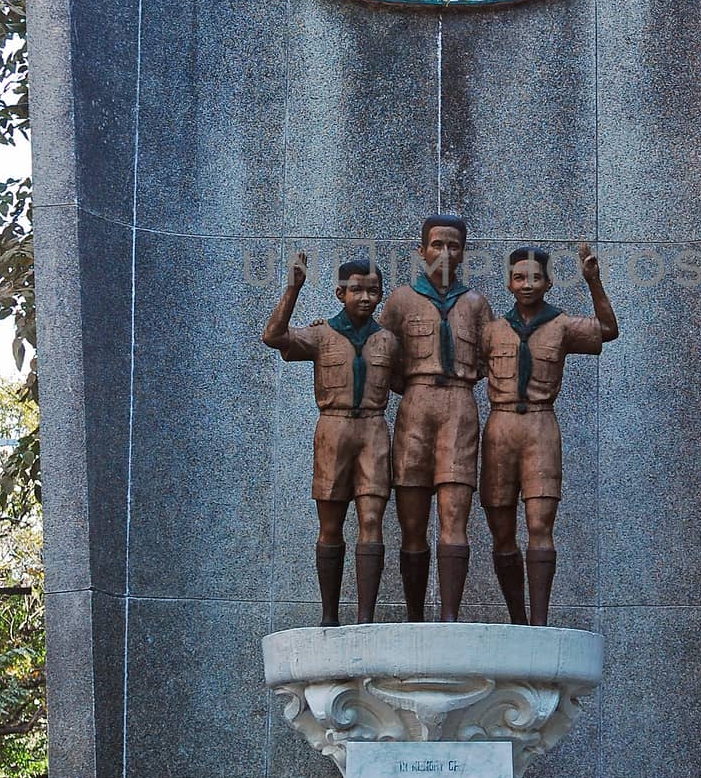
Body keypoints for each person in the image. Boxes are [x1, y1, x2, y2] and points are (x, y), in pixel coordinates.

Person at [481, 242, 619, 626]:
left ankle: (539, 622)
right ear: (508, 283)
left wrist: (593, 281)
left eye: (536, 277)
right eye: (519, 277)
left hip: (541, 428)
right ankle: (518, 620)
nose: (527, 284)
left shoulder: (561, 325)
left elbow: (608, 330)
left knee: (540, 524)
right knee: (502, 529)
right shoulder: (491, 330)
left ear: (549, 282)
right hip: (500, 428)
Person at [262, 253, 401, 626]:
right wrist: (293, 289)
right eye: (356, 290)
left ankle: (365, 617)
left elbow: (408, 380)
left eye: (373, 291)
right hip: (333, 429)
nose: (365, 298)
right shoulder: (322, 334)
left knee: (371, 519)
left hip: (373, 429)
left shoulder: (387, 340)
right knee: (331, 522)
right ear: (340, 293)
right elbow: (273, 336)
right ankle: (329, 616)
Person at [380, 214, 493, 622]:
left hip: (460, 406)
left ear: (463, 252)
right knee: (411, 519)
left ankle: (449, 618)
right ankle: (414, 617)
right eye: (437, 245)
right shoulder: (399, 301)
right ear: (421, 250)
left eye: (454, 246)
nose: (445, 253)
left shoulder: (476, 304)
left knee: (454, 513)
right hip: (415, 405)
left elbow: (489, 358)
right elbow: (380, 355)